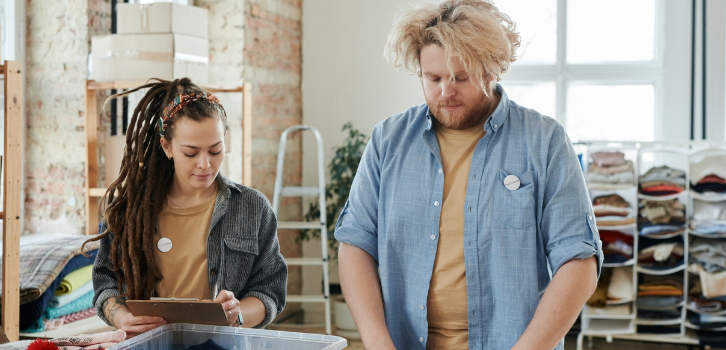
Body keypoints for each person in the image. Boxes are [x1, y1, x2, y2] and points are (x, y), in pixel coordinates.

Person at [334, 1, 603, 349]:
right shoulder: (388, 140)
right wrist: (377, 342)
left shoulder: (545, 141)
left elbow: (579, 262)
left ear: (491, 70)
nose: (446, 91)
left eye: (461, 78)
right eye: (433, 78)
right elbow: (356, 243)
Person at [84, 78, 287, 338]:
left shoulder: (252, 207)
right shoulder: (130, 211)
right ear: (166, 147)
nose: (205, 164)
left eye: (215, 150)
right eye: (191, 153)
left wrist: (235, 315)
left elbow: (269, 291)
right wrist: (123, 319)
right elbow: (106, 285)